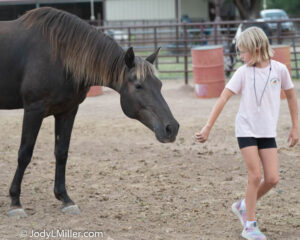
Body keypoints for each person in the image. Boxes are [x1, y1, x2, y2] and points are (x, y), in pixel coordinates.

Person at [195, 27, 298, 240]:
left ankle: (243, 205)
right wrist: (207, 127)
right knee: (256, 175)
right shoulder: (242, 72)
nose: (240, 55)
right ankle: (250, 225)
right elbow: (223, 98)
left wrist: (296, 126)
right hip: (246, 130)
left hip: (267, 131)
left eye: (243, 51)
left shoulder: (280, 70)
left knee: (272, 179)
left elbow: (290, 97)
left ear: (256, 48)